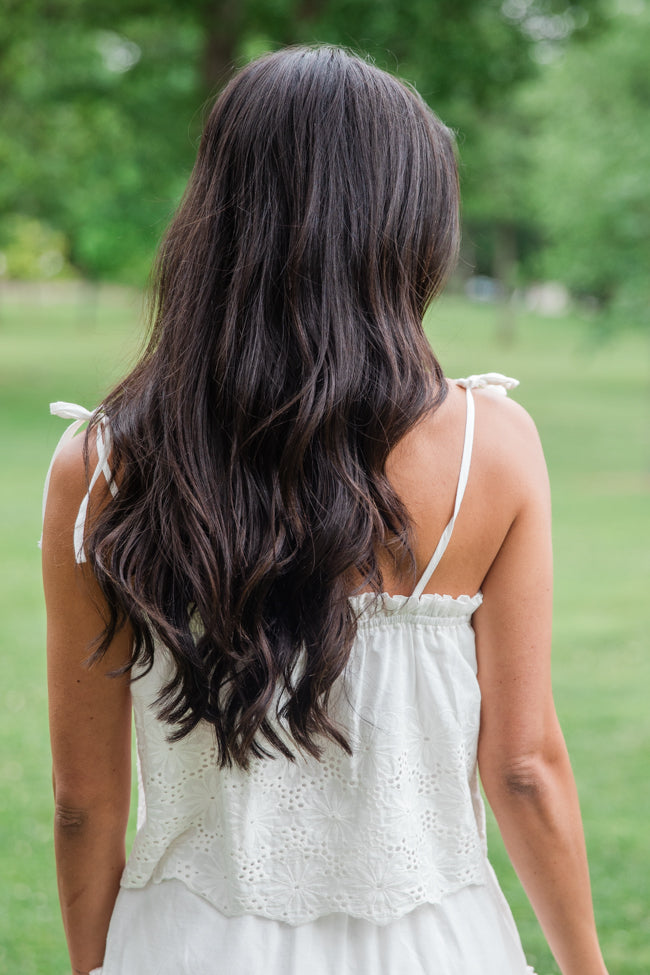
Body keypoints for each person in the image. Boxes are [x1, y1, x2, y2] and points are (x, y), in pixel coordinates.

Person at [41, 45, 609, 975]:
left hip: (187, 947)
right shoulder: (492, 450)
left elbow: (82, 801)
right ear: (406, 223)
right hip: (437, 946)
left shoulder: (106, 464)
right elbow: (523, 766)